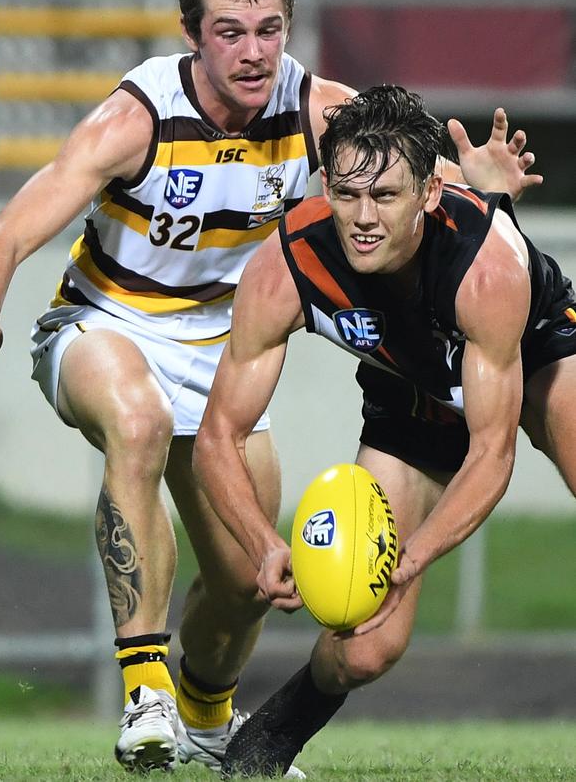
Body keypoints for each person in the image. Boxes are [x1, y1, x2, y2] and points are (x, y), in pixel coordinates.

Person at [0, 0, 540, 777]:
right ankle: (144, 687)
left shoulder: (313, 109)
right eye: (230, 31)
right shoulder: (137, 118)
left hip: (221, 350)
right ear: (193, 35)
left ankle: (203, 714)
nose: (254, 51)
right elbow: (3, 237)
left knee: (246, 577)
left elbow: (407, 171)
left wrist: (476, 184)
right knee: (137, 417)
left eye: (269, 29)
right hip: (104, 323)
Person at [191, 84, 576, 778]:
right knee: (367, 646)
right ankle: (264, 743)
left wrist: (415, 554)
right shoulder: (287, 265)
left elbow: (492, 451)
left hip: (536, 349)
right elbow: (218, 434)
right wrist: (262, 542)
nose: (362, 218)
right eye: (347, 194)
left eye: (386, 197)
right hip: (412, 392)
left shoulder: (488, 265)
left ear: (429, 194)